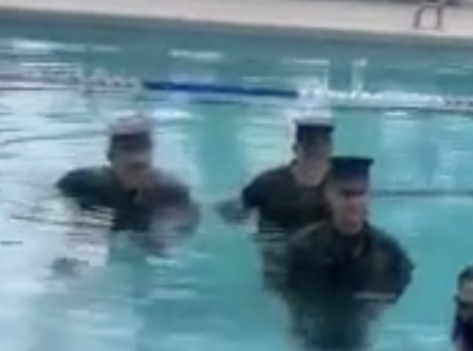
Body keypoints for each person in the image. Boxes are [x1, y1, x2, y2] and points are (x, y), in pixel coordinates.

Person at [277, 156, 414, 351]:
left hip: (360, 329)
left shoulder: (390, 253)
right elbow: (291, 298)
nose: (353, 203)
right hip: (314, 329)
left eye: (360, 194)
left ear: (369, 197)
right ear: (328, 195)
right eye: (345, 195)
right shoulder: (303, 247)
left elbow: (393, 298)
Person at [53, 116, 198, 273]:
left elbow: (179, 230)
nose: (137, 158)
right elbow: (49, 208)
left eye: (142, 149)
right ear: (110, 157)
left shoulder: (170, 191)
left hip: (143, 240)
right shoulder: (84, 184)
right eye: (127, 150)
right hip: (97, 228)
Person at [217, 115, 333, 237]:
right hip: (276, 245)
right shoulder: (269, 184)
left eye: (321, 146)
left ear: (330, 150)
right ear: (295, 149)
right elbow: (235, 211)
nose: (315, 151)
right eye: (309, 146)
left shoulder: (342, 183)